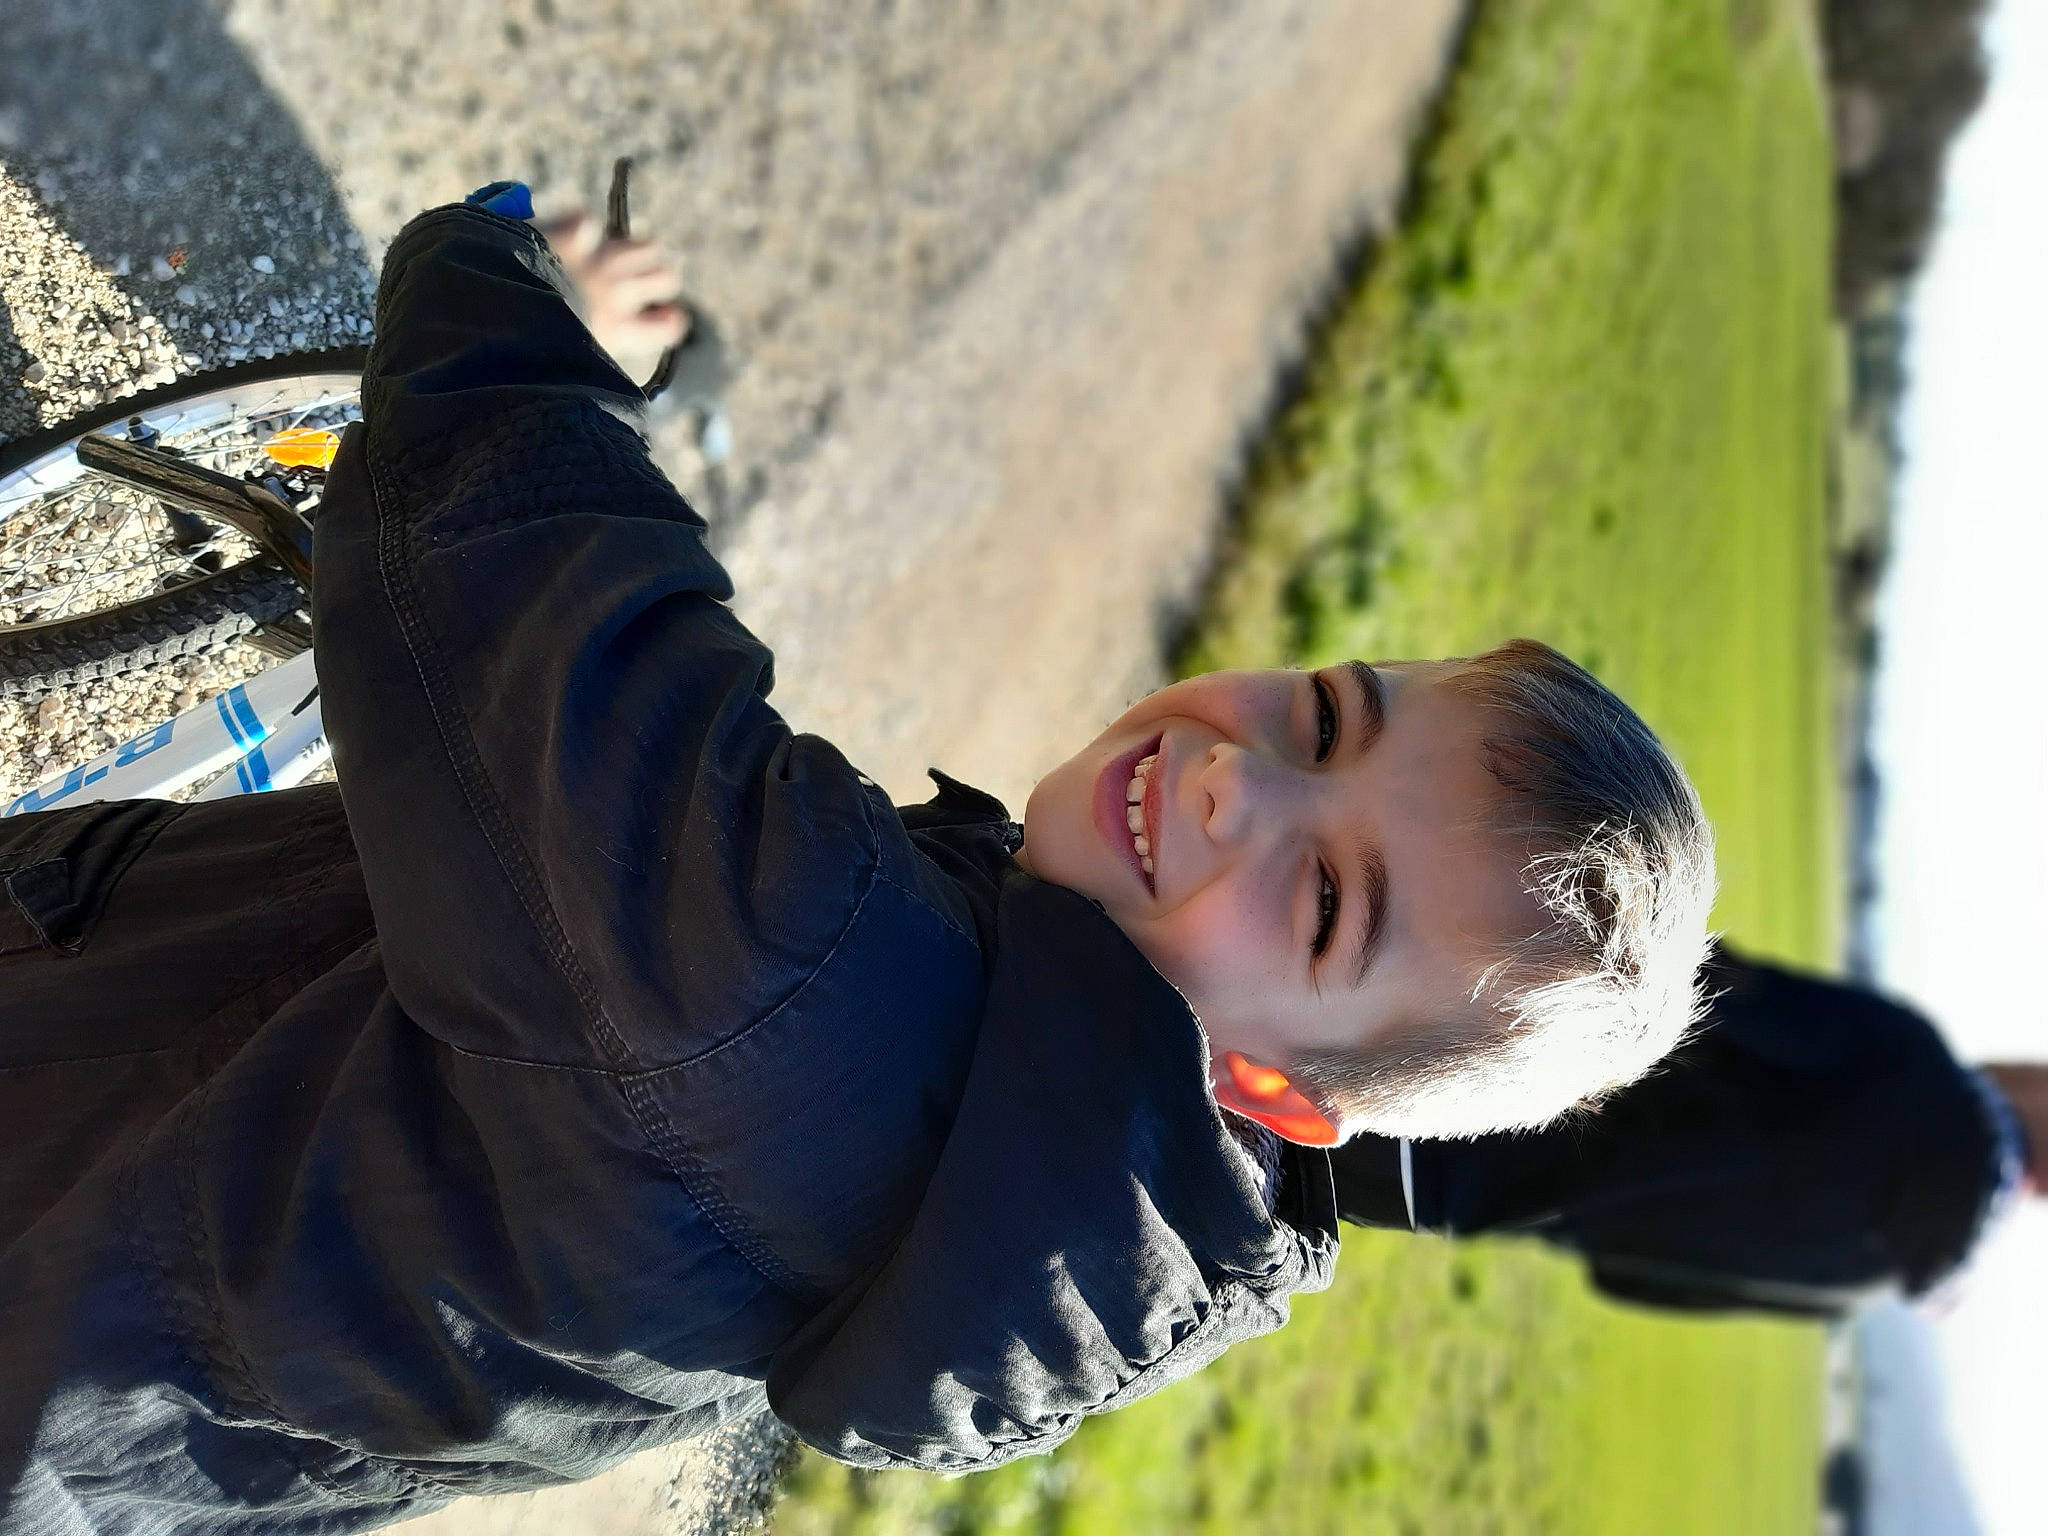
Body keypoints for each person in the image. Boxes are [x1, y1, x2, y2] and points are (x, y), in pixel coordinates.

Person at [0, 187, 1714, 1534]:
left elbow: (502, 559)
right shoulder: (1023, 1209)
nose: (1234, 785)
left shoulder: (805, 1000)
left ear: (1272, 1088)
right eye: (1331, 713)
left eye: (1329, 900)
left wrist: (520, 304)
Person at [1331, 943, 2042, 1315]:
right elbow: (1634, 1285)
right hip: (1424, 1195)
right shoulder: (1878, 1281)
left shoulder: (1915, 1067)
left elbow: (1693, 977)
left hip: (1419, 1040)